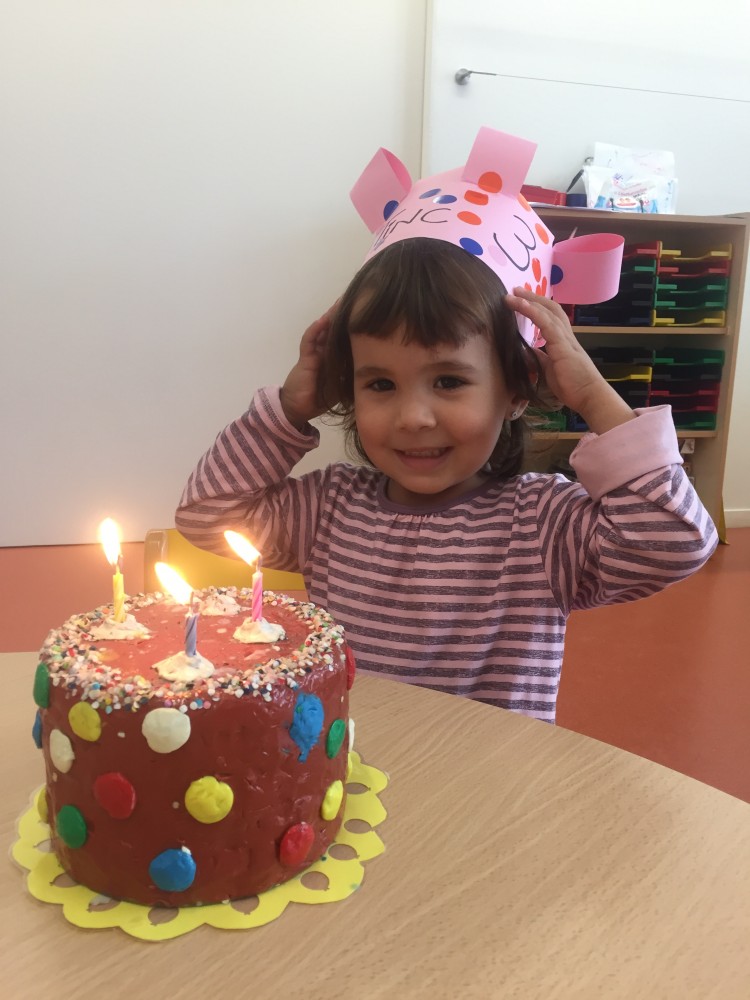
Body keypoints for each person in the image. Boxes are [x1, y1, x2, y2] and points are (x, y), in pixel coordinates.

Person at [176, 129, 718, 723]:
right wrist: (288, 408)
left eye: (450, 381)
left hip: (487, 777)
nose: (413, 417)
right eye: (380, 384)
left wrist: (592, 395)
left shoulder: (542, 525)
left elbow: (674, 542)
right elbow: (207, 513)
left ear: (517, 390)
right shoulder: (330, 508)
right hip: (349, 766)